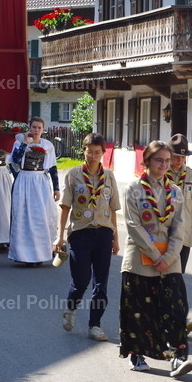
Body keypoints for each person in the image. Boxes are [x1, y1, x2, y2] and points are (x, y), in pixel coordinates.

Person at [119, 141, 192, 377]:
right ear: (147, 161)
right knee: (140, 308)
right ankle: (137, 354)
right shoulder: (133, 189)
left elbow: (180, 227)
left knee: (175, 308)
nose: (164, 165)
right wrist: (154, 254)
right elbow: (133, 225)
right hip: (141, 259)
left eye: (167, 160)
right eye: (159, 160)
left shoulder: (176, 192)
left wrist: (169, 256)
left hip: (169, 261)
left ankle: (178, 358)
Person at [55, 133, 120, 341]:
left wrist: (116, 239)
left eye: (97, 152)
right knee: (81, 280)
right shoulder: (73, 174)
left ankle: (95, 325)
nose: (93, 156)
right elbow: (65, 207)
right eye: (89, 151)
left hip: (103, 233)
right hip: (80, 234)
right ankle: (71, 309)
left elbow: (113, 210)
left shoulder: (109, 176)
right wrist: (60, 237)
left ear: (103, 153)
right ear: (83, 150)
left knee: (101, 283)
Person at [167, 133, 192, 334]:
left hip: (184, 236)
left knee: (177, 276)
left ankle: (178, 318)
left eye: (182, 157)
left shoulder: (191, 175)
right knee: (168, 278)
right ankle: (178, 317)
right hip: (163, 236)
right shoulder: (160, 173)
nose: (178, 160)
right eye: (175, 156)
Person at [7, 117, 59, 266]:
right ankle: (24, 254)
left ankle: (41, 254)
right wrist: (24, 143)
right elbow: (15, 161)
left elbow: (53, 168)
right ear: (29, 128)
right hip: (24, 180)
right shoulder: (19, 143)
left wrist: (56, 188)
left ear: (43, 130)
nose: (36, 130)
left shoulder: (47, 145)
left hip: (40, 182)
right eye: (34, 127)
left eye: (39, 128)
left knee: (40, 217)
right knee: (23, 217)